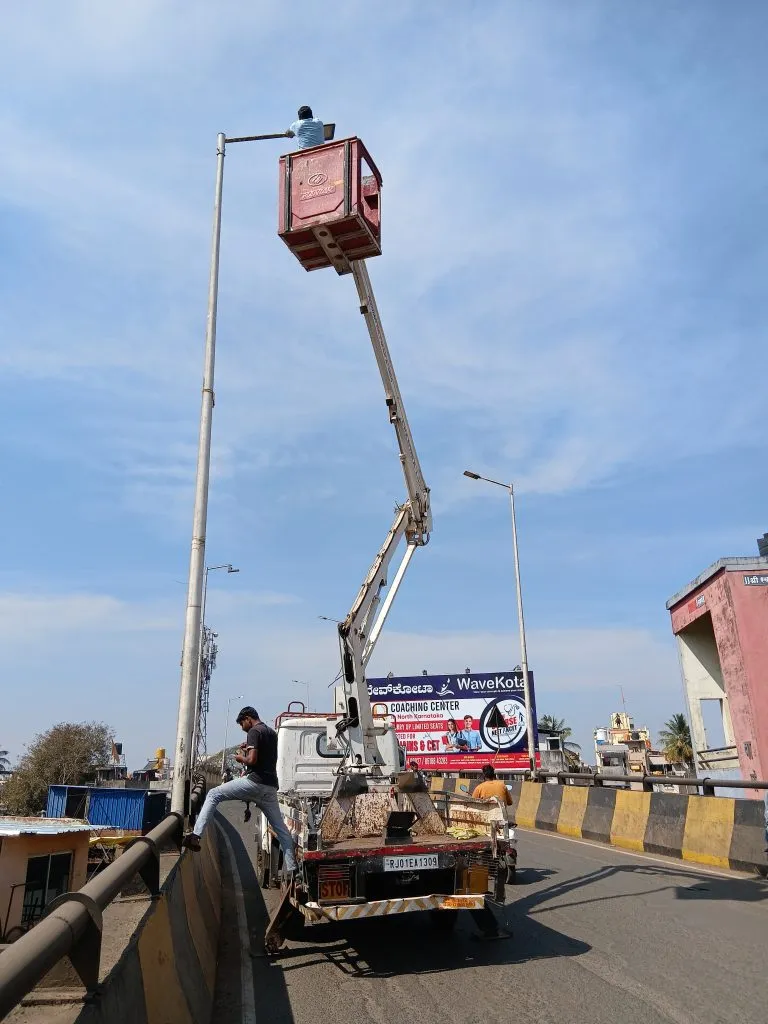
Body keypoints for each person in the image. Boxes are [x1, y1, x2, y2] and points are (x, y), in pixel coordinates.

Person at [182, 706, 297, 872]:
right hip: (270, 787)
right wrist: (247, 748)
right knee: (282, 830)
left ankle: (196, 835)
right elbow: (264, 757)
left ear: (248, 718)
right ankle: (293, 868)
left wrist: (240, 757)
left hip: (254, 783)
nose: (243, 728)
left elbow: (252, 760)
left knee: (214, 795)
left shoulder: (254, 732)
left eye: (242, 724)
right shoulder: (271, 732)